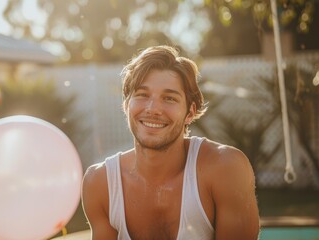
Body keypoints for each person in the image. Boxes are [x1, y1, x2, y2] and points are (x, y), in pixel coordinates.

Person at [81, 45, 260, 240]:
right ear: (126, 104)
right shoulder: (100, 183)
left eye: (169, 98)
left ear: (190, 113)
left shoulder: (224, 168)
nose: (153, 109)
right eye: (142, 95)